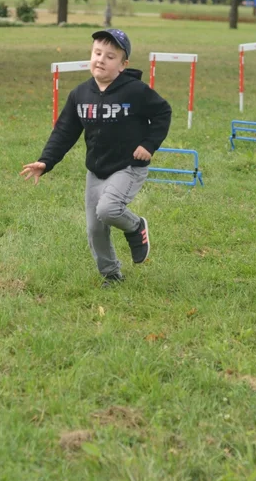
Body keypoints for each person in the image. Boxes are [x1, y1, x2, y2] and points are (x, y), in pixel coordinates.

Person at [20, 29, 172, 287]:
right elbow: (65, 131)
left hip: (128, 166)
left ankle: (136, 227)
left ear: (123, 65)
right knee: (95, 228)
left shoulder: (135, 91)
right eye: (97, 53)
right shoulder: (80, 94)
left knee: (108, 209)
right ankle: (111, 275)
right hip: (97, 170)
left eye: (110, 56)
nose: (101, 59)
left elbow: (162, 112)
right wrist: (46, 161)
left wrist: (149, 144)